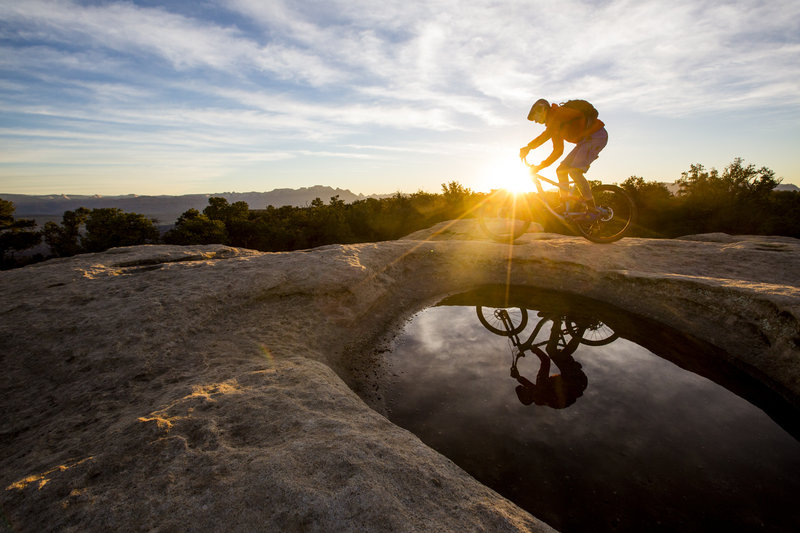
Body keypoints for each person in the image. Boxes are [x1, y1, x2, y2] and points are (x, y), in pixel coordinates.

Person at [519, 98, 607, 210]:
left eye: (535, 116)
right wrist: (540, 167)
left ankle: (592, 209)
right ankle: (566, 205)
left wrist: (528, 147)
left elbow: (546, 135)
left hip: (596, 137)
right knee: (561, 171)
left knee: (574, 171)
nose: (535, 121)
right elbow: (558, 151)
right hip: (585, 141)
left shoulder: (557, 114)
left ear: (542, 109)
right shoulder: (555, 127)